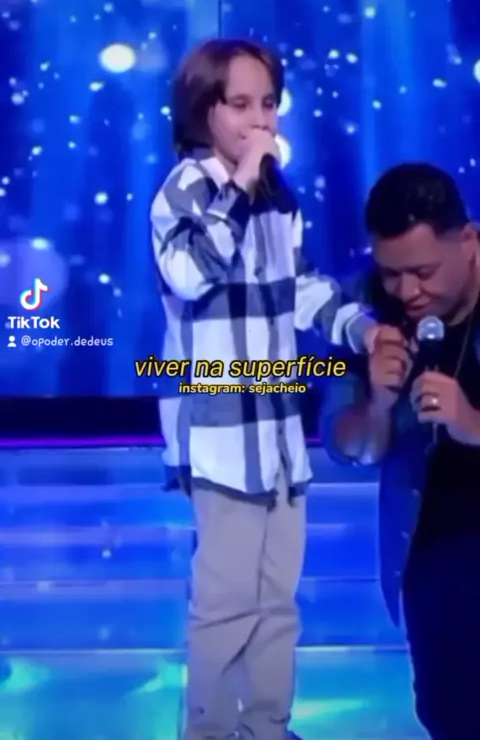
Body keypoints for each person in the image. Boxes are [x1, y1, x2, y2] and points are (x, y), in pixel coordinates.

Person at [150, 37, 377, 740]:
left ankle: (267, 726)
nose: (260, 120)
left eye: (269, 104)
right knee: (224, 605)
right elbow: (191, 274)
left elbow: (300, 287)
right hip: (219, 433)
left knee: (278, 600)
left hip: (278, 430)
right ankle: (211, 732)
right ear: (203, 111)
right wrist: (240, 187)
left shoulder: (279, 196)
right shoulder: (185, 191)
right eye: (241, 105)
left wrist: (360, 328)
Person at [320, 162, 480, 740]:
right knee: (449, 711)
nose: (408, 292)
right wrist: (379, 406)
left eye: (423, 272)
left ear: (469, 240)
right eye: (392, 274)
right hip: (432, 543)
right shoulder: (362, 311)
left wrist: (472, 423)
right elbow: (348, 446)